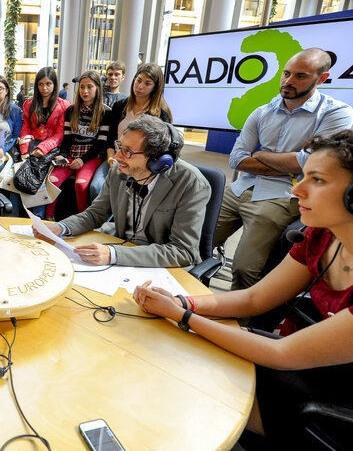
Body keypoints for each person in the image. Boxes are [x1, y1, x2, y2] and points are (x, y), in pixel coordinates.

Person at [133, 129, 353, 449]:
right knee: (193, 356)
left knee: (203, 390)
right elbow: (255, 297)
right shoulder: (320, 238)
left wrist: (182, 316)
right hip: (311, 363)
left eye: (317, 180)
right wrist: (184, 301)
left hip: (335, 399)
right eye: (301, 177)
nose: (297, 191)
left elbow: (281, 354)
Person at [214, 48, 353, 291]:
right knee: (191, 244)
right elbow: (236, 158)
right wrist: (287, 162)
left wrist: (261, 155)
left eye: (300, 76)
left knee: (244, 268)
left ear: (321, 78)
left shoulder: (335, 113)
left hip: (281, 196)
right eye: (286, 73)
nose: (288, 81)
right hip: (239, 188)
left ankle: (240, 325)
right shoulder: (262, 111)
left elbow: (311, 163)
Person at [37, 115, 210, 268]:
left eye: (128, 151)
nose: (117, 157)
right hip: (120, 254)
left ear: (157, 160)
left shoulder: (191, 184)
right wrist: (60, 227)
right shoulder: (118, 171)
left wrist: (113, 254)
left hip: (161, 268)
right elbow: (95, 214)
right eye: (120, 146)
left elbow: (183, 251)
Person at [90, 62, 171, 201]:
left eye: (147, 83)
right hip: (115, 157)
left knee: (128, 194)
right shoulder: (119, 105)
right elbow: (110, 137)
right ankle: (101, 220)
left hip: (140, 164)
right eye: (138, 80)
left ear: (155, 88)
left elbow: (159, 149)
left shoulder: (160, 114)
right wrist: (110, 158)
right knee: (96, 187)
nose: (140, 86)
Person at [46, 71, 116, 219]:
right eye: (82, 87)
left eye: (90, 87)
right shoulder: (71, 110)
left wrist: (83, 159)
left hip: (92, 156)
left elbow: (100, 143)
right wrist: (63, 155)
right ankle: (49, 219)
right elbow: (67, 139)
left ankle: (82, 220)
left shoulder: (106, 112)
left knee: (81, 184)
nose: (85, 91)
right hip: (71, 155)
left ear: (97, 88)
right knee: (52, 181)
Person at [19, 66, 69, 217]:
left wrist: (43, 148)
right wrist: (25, 152)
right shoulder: (29, 104)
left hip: (51, 150)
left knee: (40, 181)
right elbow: (26, 129)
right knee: (17, 176)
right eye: (40, 84)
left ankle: (39, 220)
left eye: (48, 84)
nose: (44, 88)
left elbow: (59, 134)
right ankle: (15, 216)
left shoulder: (64, 106)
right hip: (30, 148)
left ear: (54, 84)